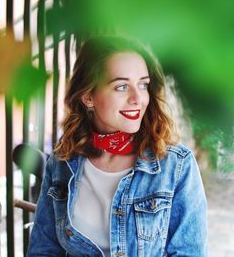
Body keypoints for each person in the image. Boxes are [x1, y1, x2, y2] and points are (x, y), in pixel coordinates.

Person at [27, 36, 207, 256]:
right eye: (121, 86)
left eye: (143, 85)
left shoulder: (176, 166)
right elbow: (43, 250)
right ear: (88, 96)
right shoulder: (62, 162)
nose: (137, 98)